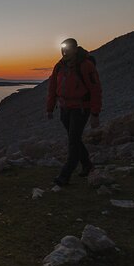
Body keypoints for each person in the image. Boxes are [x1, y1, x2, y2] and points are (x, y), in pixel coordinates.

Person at [46, 38, 102, 187]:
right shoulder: (59, 66)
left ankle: (65, 175)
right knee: (75, 139)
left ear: (75, 49)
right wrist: (50, 108)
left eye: (68, 49)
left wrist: (95, 114)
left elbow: (95, 90)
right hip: (65, 109)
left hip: (81, 109)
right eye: (63, 49)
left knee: (73, 141)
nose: (65, 52)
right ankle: (87, 165)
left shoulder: (86, 66)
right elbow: (52, 88)